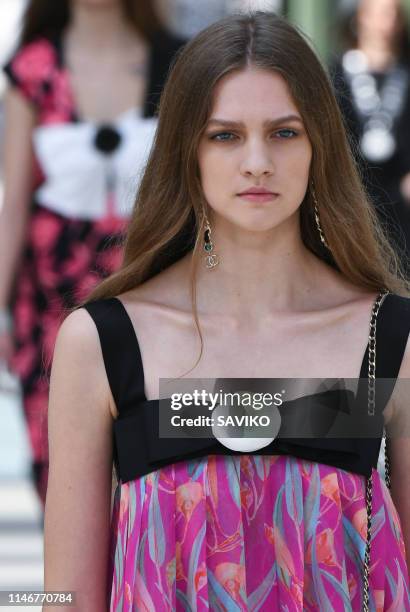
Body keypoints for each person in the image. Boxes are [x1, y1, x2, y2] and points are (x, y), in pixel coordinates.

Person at [44, 11, 410, 611]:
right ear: (186, 151)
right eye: (226, 134)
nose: (258, 161)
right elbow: (60, 597)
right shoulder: (103, 342)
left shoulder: (390, 334)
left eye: (285, 132)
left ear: (321, 144)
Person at [0, 0, 183, 506]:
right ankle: (62, 590)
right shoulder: (32, 68)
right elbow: (14, 200)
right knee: (61, 473)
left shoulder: (176, 62)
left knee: (150, 465)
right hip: (49, 305)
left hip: (149, 294)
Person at [332, 0, 410, 273]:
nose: (385, 23)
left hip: (403, 205)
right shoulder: (338, 73)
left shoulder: (405, 72)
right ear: (359, 17)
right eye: (377, 14)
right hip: (352, 198)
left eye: (391, 14)